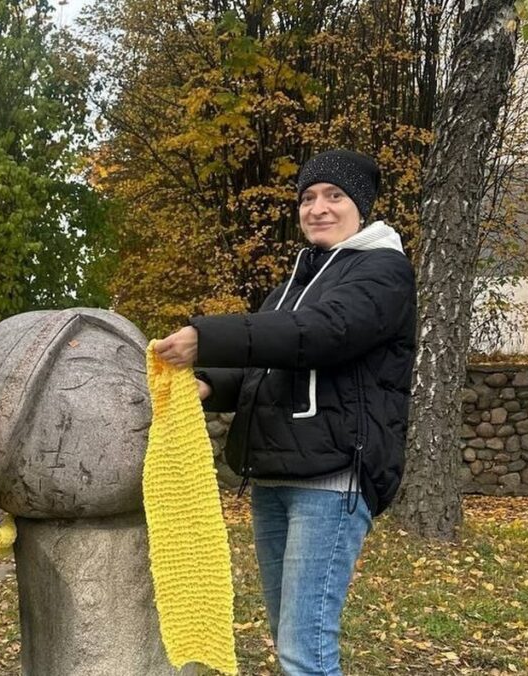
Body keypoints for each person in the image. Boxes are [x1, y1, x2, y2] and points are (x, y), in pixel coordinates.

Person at [155, 149, 416, 676]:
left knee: (305, 650)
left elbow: (322, 335)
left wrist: (209, 337)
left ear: (360, 206)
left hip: (332, 478)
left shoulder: (384, 272)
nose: (318, 207)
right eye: (308, 197)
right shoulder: (291, 286)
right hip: (275, 478)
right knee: (288, 638)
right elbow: (265, 366)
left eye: (334, 196)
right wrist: (205, 385)